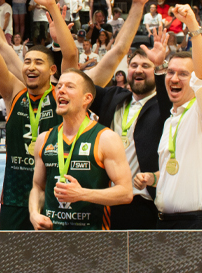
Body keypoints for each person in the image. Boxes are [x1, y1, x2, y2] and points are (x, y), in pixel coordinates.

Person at [0, 0, 80, 230]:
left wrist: (51, 6)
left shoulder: (62, 94)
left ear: (52, 71)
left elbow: (70, 54)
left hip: (55, 195)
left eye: (38, 62)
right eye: (27, 61)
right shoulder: (14, 93)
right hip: (14, 196)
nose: (30, 66)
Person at [27, 70, 133, 230]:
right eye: (59, 86)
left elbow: (125, 193)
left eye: (69, 86)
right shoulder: (44, 139)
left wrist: (82, 194)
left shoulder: (105, 138)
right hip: (52, 236)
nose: (61, 90)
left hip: (92, 238)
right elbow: (38, 188)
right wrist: (34, 213)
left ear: (87, 98)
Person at [151, 5, 202, 229]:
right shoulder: (170, 119)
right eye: (171, 72)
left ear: (193, 80)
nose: (174, 78)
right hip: (164, 222)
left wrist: (192, 25)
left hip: (196, 224)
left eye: (183, 74)